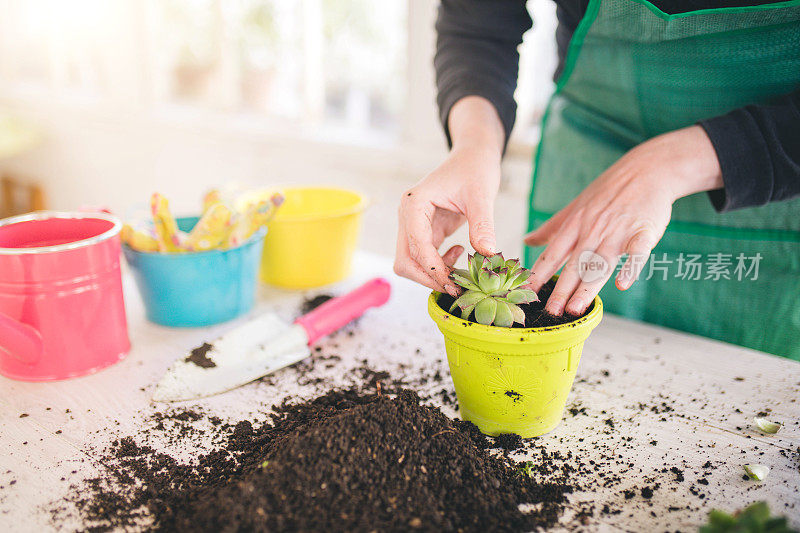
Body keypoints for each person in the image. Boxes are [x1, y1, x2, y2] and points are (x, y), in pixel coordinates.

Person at [394, 0, 800, 358]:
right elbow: (478, 26)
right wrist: (474, 144)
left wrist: (675, 162)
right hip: (590, 159)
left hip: (771, 178)